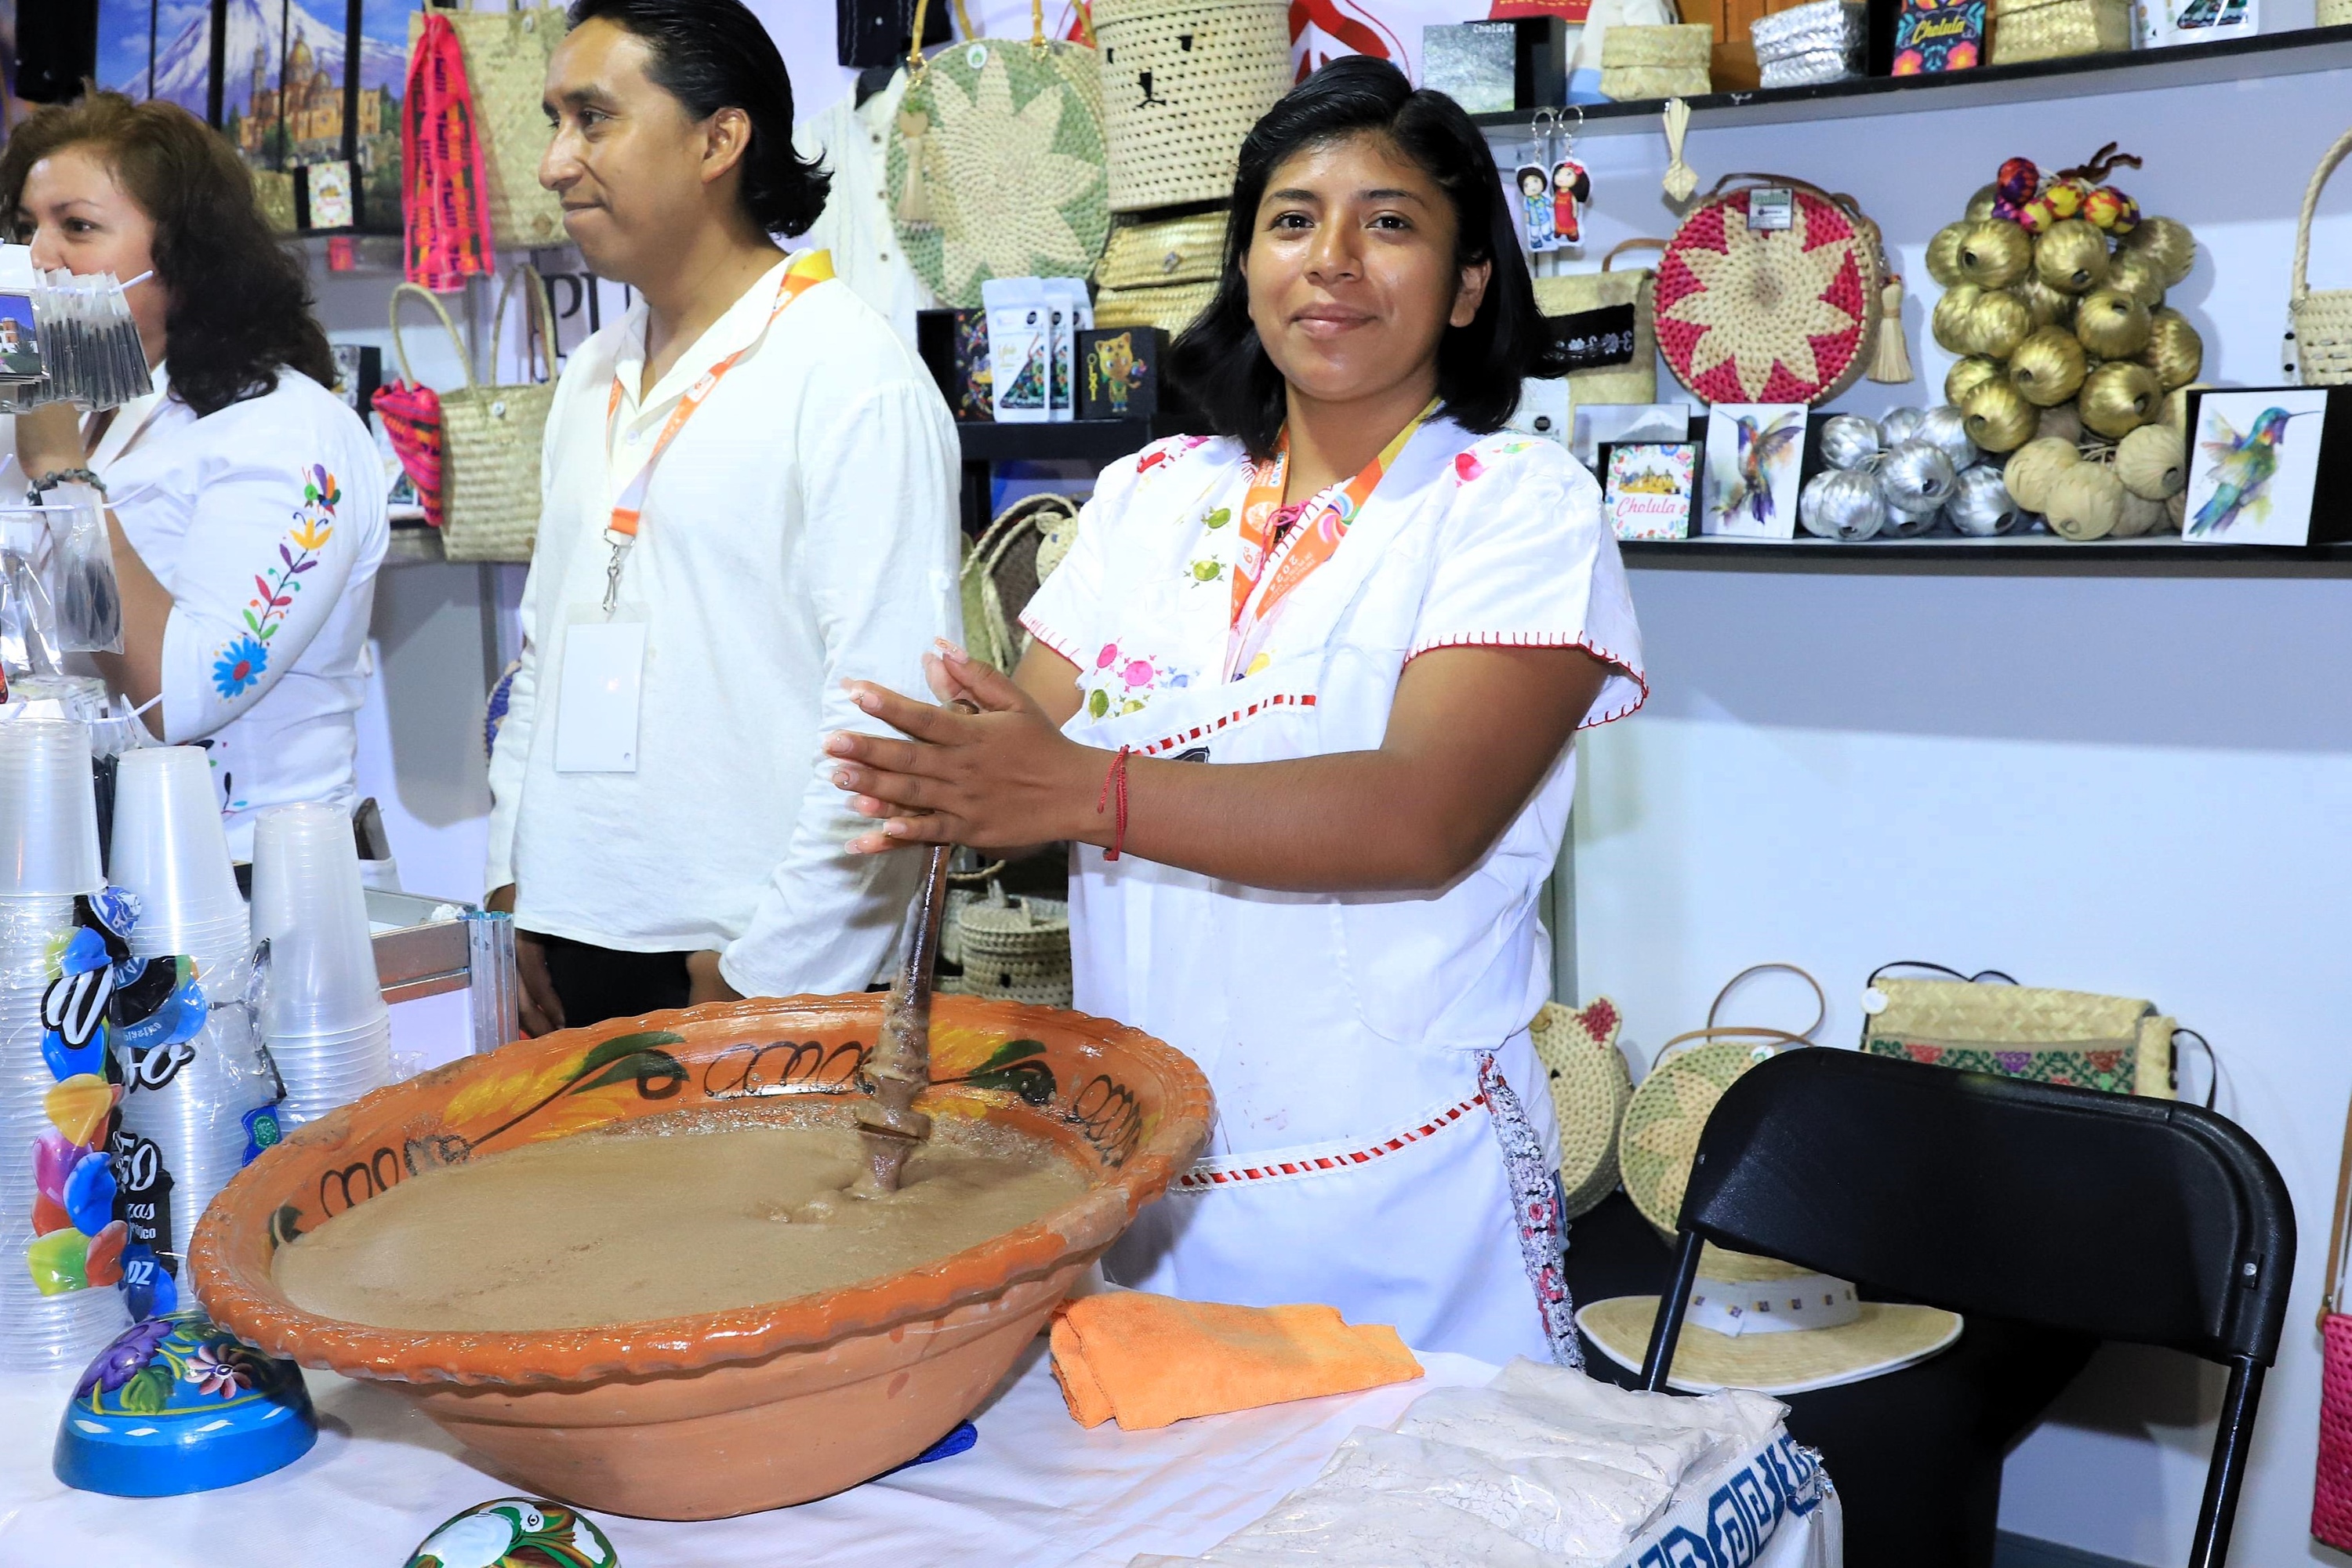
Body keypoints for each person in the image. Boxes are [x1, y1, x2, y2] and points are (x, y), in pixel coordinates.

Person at [825, 58, 1646, 1367]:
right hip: (1148, 1179)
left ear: (1468, 279)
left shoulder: (1514, 503)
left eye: (1390, 222)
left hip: (1401, 1190)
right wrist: (942, 777)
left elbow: (1420, 816)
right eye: (1290, 220)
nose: (1332, 258)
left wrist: (1081, 789)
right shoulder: (1157, 492)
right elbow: (1025, 754)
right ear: (1245, 262)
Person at [485, 0, 960, 1033]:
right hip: (570, 949)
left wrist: (771, 974)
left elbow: (889, 719)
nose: (556, 163)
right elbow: (544, 657)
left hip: (751, 971)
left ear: (719, 137)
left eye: (594, 118)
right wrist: (516, 882)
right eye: (555, 122)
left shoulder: (849, 375)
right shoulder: (592, 373)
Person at [1, 94, 387, 849]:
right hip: (66, 863)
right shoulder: (63, 410)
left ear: (180, 256)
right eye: (23, 228)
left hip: (249, 879)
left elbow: (181, 698)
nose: (38, 258)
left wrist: (62, 476)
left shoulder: (287, 432)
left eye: (76, 226)